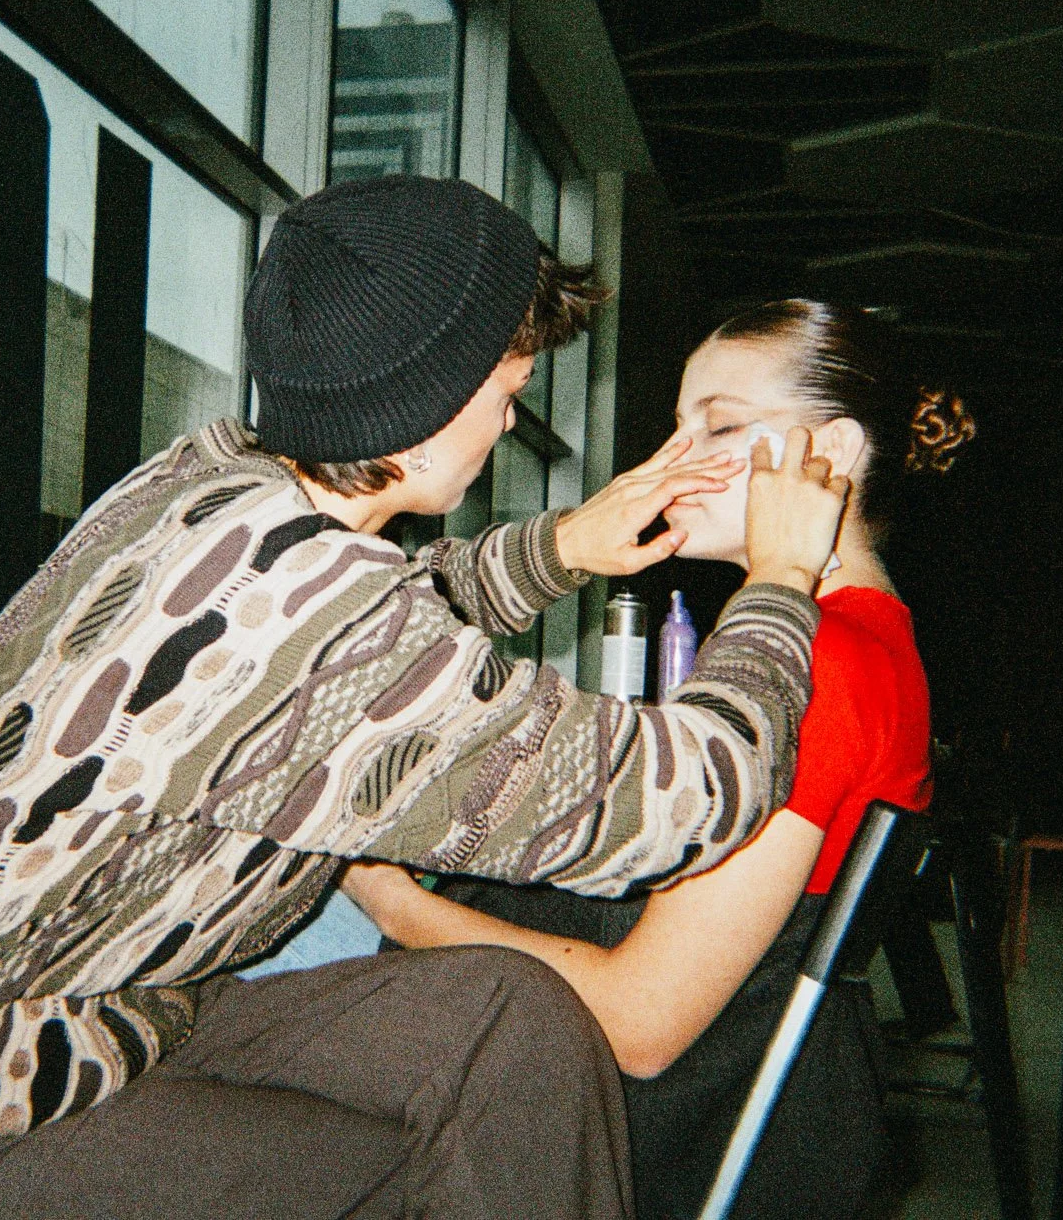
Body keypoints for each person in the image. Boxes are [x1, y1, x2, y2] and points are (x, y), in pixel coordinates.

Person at [0, 179, 853, 1220]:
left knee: (512, 1016)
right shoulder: (322, 619)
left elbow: (378, 615)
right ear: (433, 390)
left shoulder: (210, 480)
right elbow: (686, 795)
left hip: (79, 1017)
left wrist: (559, 549)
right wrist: (781, 579)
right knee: (438, 1171)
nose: (510, 412)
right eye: (505, 382)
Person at [346, 298, 975, 1219]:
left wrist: (395, 902)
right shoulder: (854, 637)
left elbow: (641, 1022)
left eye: (719, 426)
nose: (674, 459)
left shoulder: (823, 663)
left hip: (649, 1118)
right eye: (679, 425)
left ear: (831, 456)